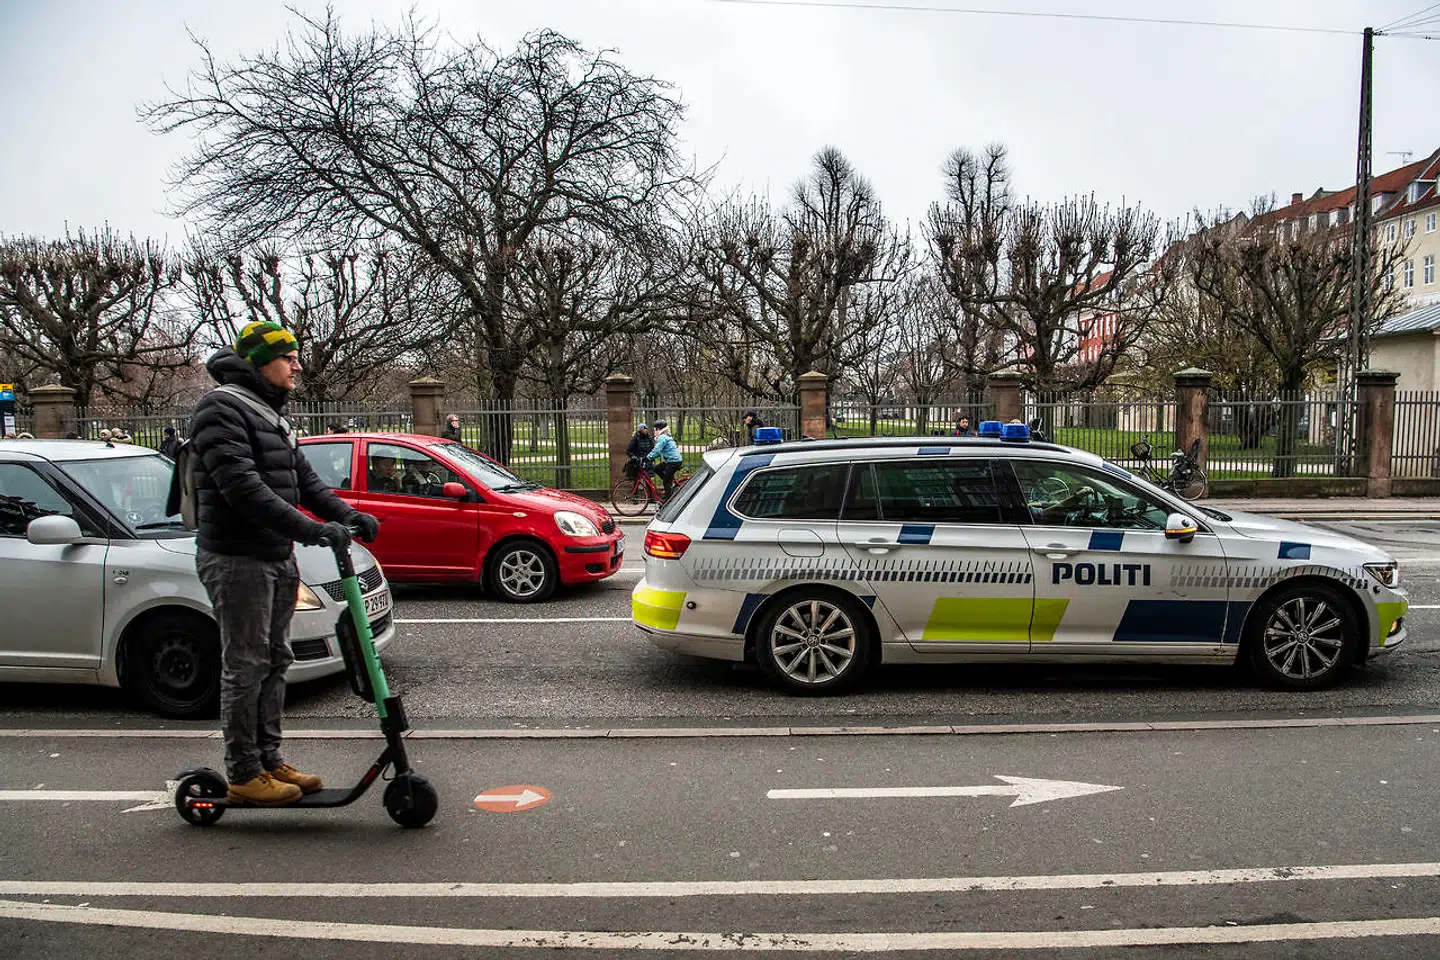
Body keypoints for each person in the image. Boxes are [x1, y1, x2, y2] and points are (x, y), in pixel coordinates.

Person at [187, 320, 380, 807]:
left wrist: (345, 515)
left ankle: (270, 760)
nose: (297, 366)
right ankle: (244, 772)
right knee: (246, 665)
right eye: (287, 357)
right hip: (237, 559)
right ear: (259, 362)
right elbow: (243, 489)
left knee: (276, 660)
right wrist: (311, 531)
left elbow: (304, 481)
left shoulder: (271, 412)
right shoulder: (220, 409)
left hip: (274, 555)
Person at [648, 419, 684, 498]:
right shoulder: (665, 435)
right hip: (671, 460)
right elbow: (660, 451)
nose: (654, 431)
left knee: (665, 481)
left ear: (658, 429)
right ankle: (669, 481)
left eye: (654, 429)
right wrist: (652, 456)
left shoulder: (662, 437)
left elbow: (657, 449)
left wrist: (648, 457)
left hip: (674, 461)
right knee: (657, 469)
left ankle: (668, 498)